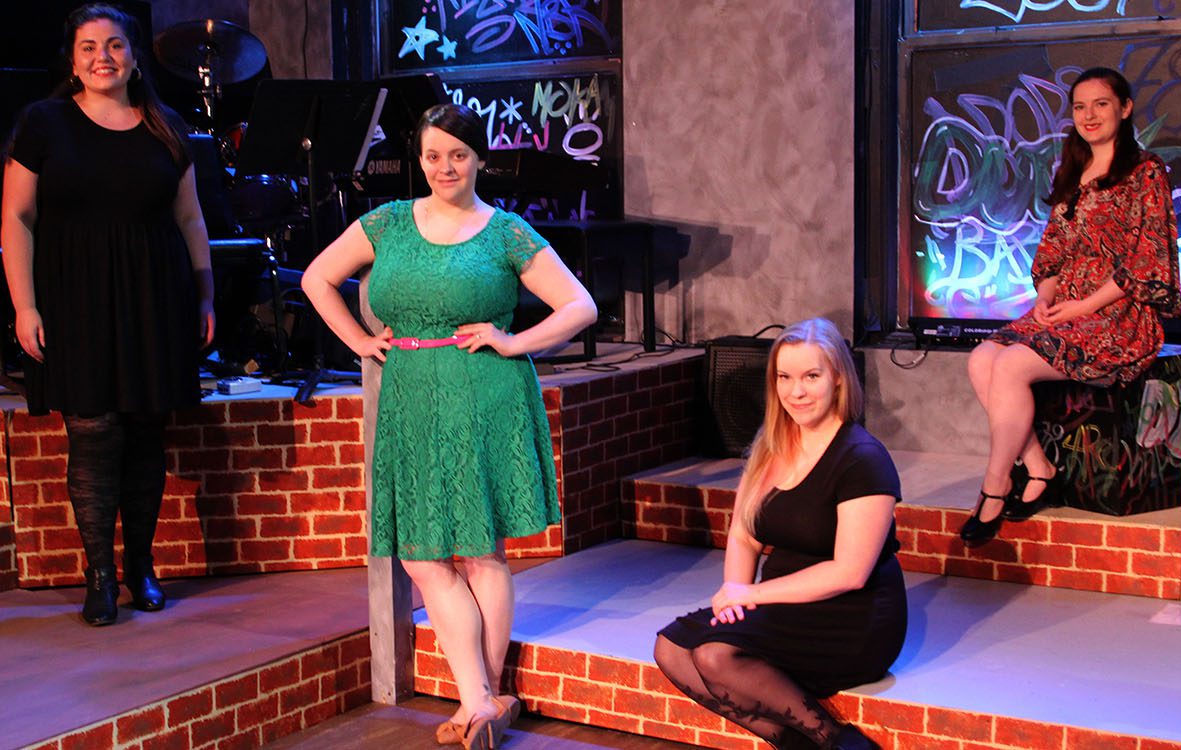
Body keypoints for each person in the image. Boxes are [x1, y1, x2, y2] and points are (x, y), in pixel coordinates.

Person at [301, 103, 596, 750]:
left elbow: (580, 304)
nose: (444, 167)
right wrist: (357, 339)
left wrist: (516, 342)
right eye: (433, 155)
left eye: (458, 155)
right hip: (412, 394)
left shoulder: (505, 232)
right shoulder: (387, 222)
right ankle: (485, 699)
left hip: (484, 392)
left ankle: (479, 699)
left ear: (480, 159)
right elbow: (317, 277)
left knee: (482, 548)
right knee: (424, 555)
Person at [0, 3, 215, 626]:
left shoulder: (165, 124)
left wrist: (204, 295)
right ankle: (98, 574)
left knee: (146, 434)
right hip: (74, 297)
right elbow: (17, 218)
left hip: (154, 297)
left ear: (133, 55)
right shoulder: (43, 123)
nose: (103, 57)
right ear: (72, 59)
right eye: (90, 46)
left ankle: (140, 567)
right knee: (94, 434)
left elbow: (190, 219)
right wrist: (24, 305)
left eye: (115, 45)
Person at [654, 319, 900, 750]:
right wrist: (735, 589)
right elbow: (744, 535)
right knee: (670, 648)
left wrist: (750, 597)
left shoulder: (863, 459)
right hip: (783, 601)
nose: (796, 392)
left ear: (838, 378)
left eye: (811, 376)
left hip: (853, 617)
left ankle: (838, 742)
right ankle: (798, 742)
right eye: (784, 377)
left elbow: (849, 573)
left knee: (715, 655)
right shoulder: (772, 446)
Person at [961, 67, 1181, 546]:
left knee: (1014, 363)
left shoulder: (1146, 173)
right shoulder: (1072, 171)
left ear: (1123, 108)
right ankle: (1040, 468)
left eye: (1100, 104)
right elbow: (1053, 252)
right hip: (1065, 307)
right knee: (982, 359)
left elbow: (1147, 261)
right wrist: (1045, 297)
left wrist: (1083, 308)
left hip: (1118, 314)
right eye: (1080, 107)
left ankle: (995, 486)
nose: (1089, 115)